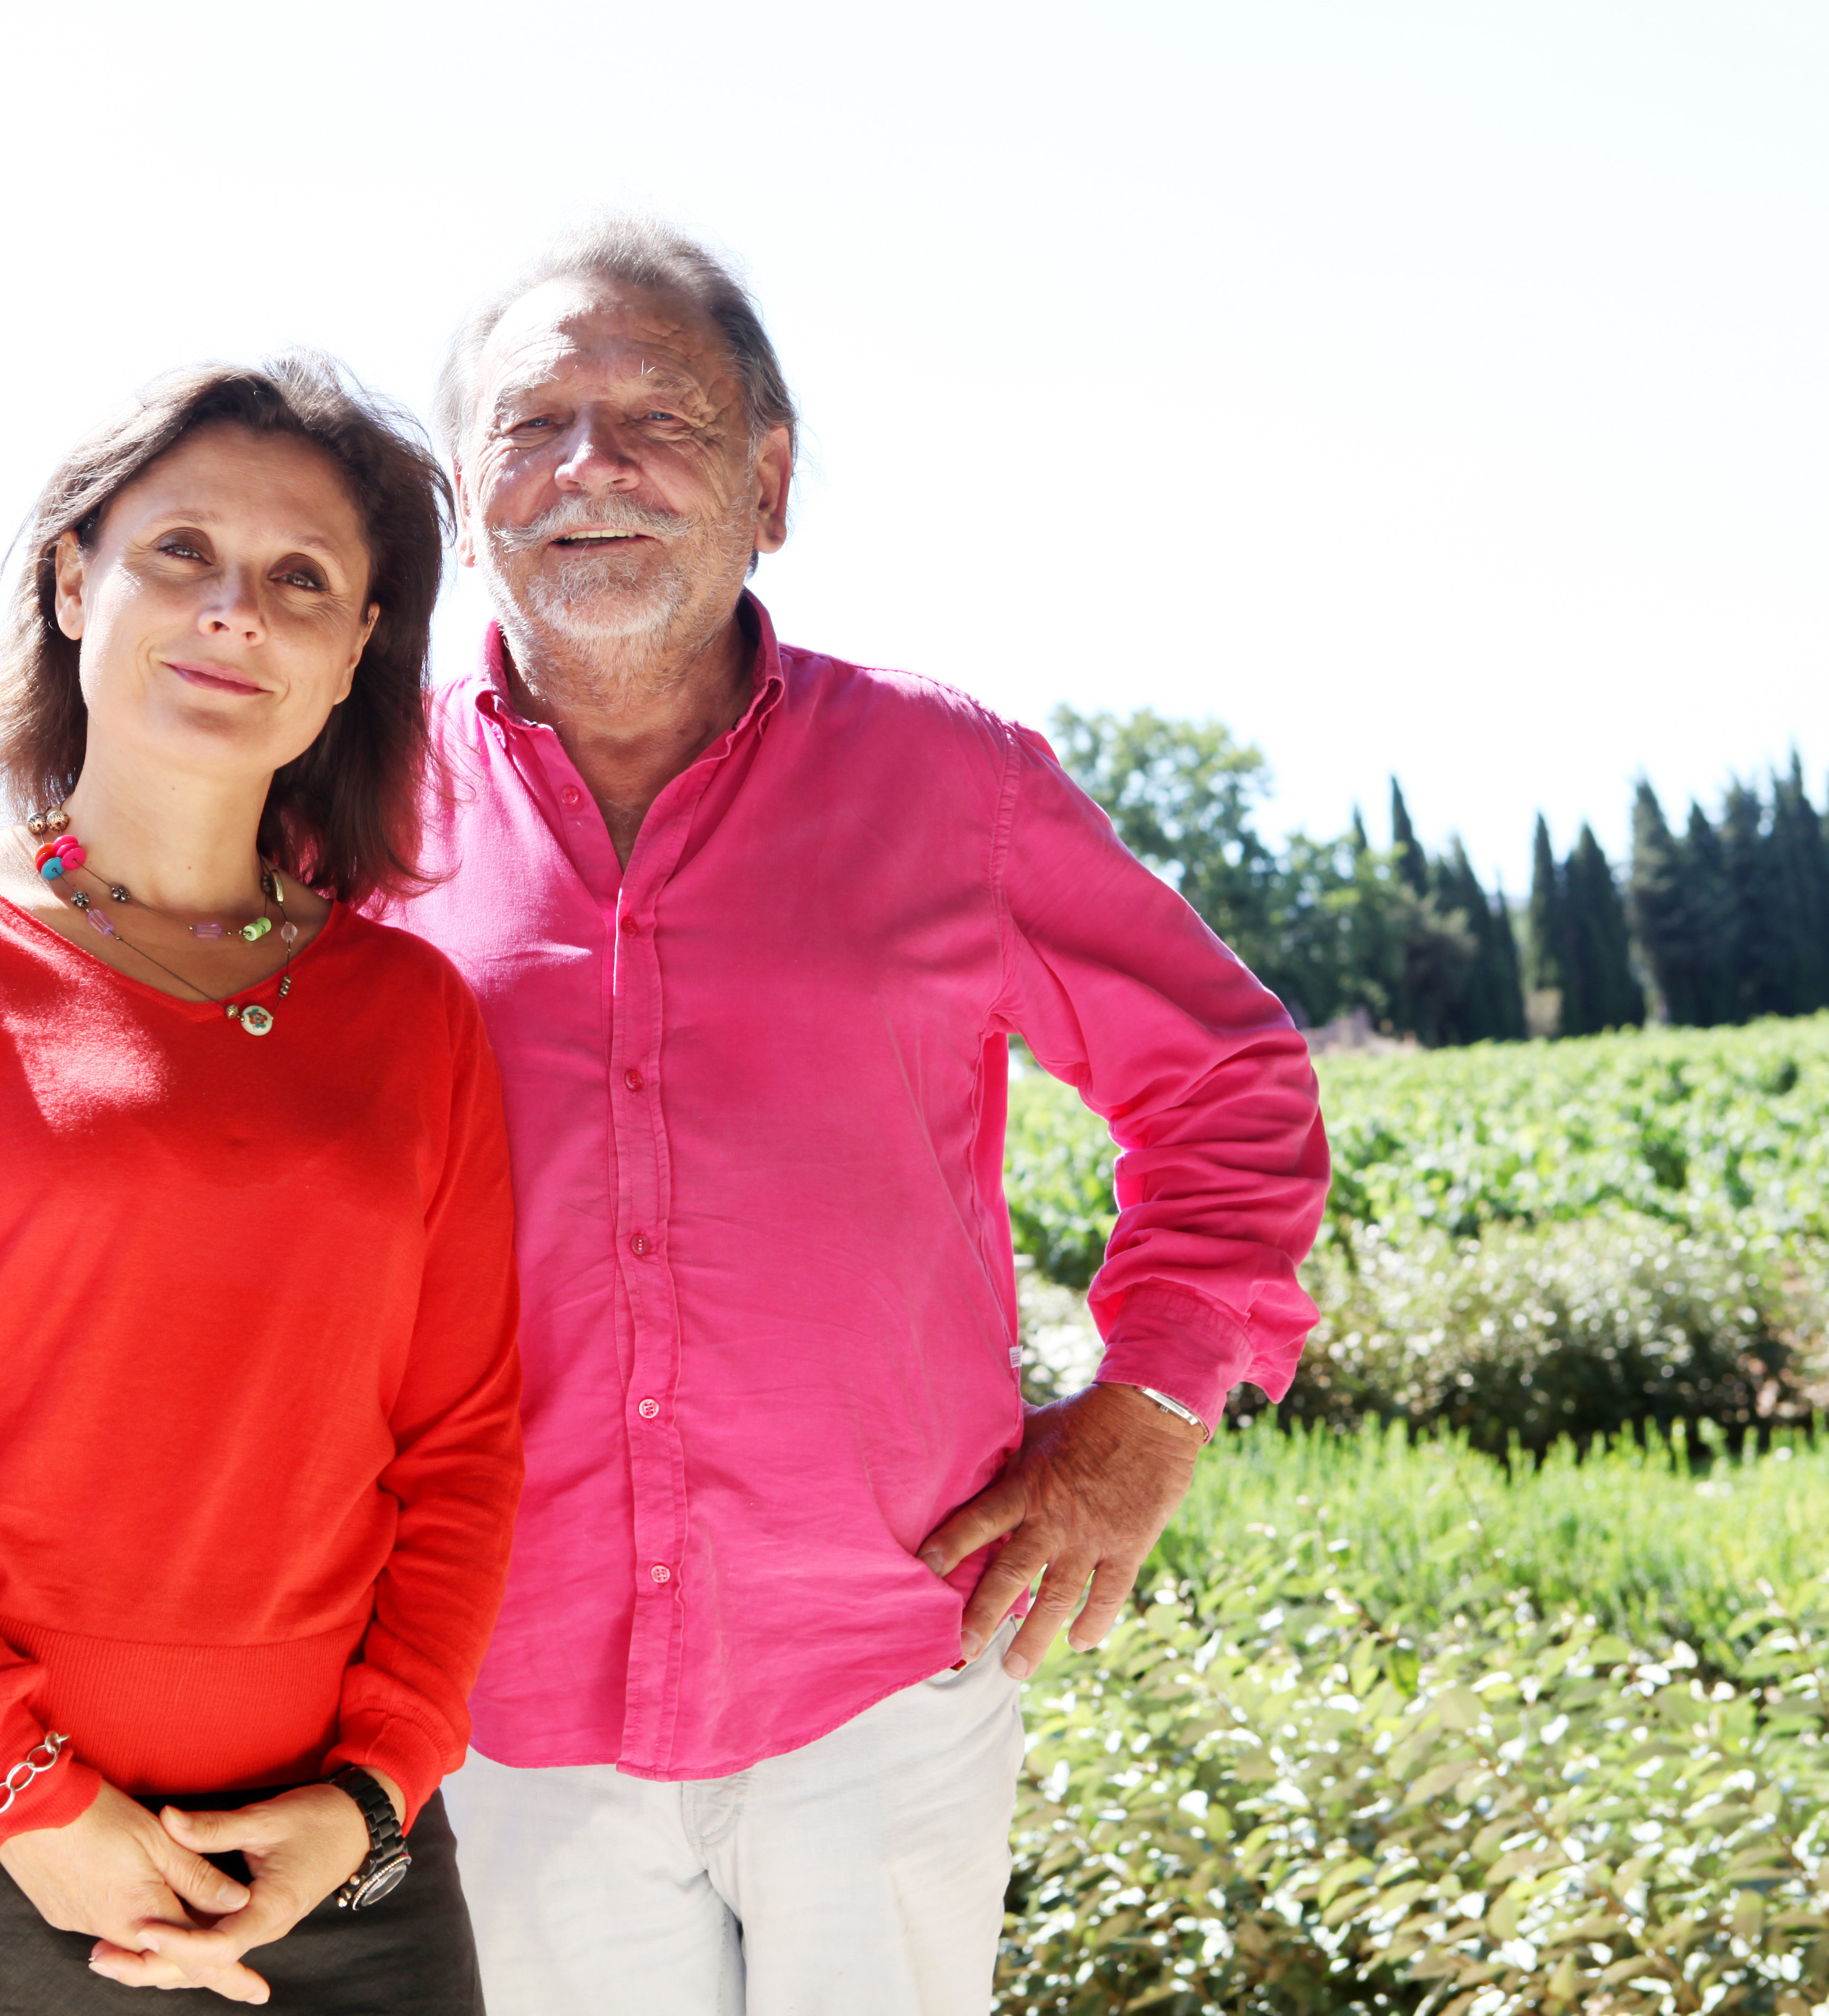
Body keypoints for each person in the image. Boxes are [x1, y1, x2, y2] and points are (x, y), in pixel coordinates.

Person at [382, 223, 1333, 2015]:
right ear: (461, 495)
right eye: (533, 425)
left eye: (659, 418)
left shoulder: (950, 782)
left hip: (887, 1676)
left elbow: (1228, 1082)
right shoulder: (351, 822)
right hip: (503, 1708)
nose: (592, 467)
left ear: (770, 483)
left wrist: (1147, 1416)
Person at [0, 355, 524, 2015]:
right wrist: (22, 1792)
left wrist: (375, 1790)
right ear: (76, 582)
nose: (237, 610)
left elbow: (461, 1451)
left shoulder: (415, 1016)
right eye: (181, 553)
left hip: (325, 1868)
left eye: (303, 580)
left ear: (355, 652)